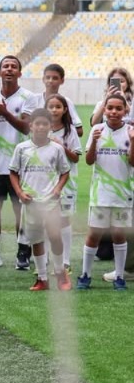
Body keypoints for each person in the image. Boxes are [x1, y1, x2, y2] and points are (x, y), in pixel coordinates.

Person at [8, 109, 72, 291]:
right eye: (38, 124)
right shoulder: (22, 148)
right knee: (36, 240)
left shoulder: (57, 149)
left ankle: (60, 272)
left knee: (54, 236)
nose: (41, 127)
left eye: (45, 124)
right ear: (31, 126)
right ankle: (42, 278)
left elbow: (65, 171)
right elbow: (13, 172)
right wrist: (20, 193)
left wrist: (58, 189)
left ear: (51, 126)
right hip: (30, 201)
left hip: (51, 201)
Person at [0, 55, 36, 270]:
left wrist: (4, 111)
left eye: (14, 66)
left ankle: (23, 254)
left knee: (21, 212)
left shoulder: (29, 97)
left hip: (20, 165)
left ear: (20, 73)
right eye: (5, 66)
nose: (9, 69)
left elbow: (26, 127)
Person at [78, 93, 134, 290]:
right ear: (105, 110)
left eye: (119, 108)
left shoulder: (130, 131)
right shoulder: (97, 129)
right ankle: (85, 275)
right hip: (100, 193)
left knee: (119, 234)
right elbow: (89, 160)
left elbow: (132, 162)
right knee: (94, 234)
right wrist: (93, 141)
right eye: (110, 108)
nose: (113, 112)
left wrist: (133, 141)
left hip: (122, 193)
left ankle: (119, 276)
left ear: (125, 111)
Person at [46, 94, 82, 271]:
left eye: (58, 106)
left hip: (67, 183)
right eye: (51, 106)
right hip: (45, 183)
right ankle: (45, 259)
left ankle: (65, 261)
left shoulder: (70, 131)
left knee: (64, 220)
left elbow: (76, 157)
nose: (54, 110)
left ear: (65, 109)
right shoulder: (41, 129)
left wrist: (61, 146)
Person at [37, 63, 82, 137]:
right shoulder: (33, 100)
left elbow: (79, 131)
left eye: (55, 78)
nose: (50, 81)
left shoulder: (66, 102)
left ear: (62, 81)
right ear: (43, 79)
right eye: (48, 77)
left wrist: (58, 131)